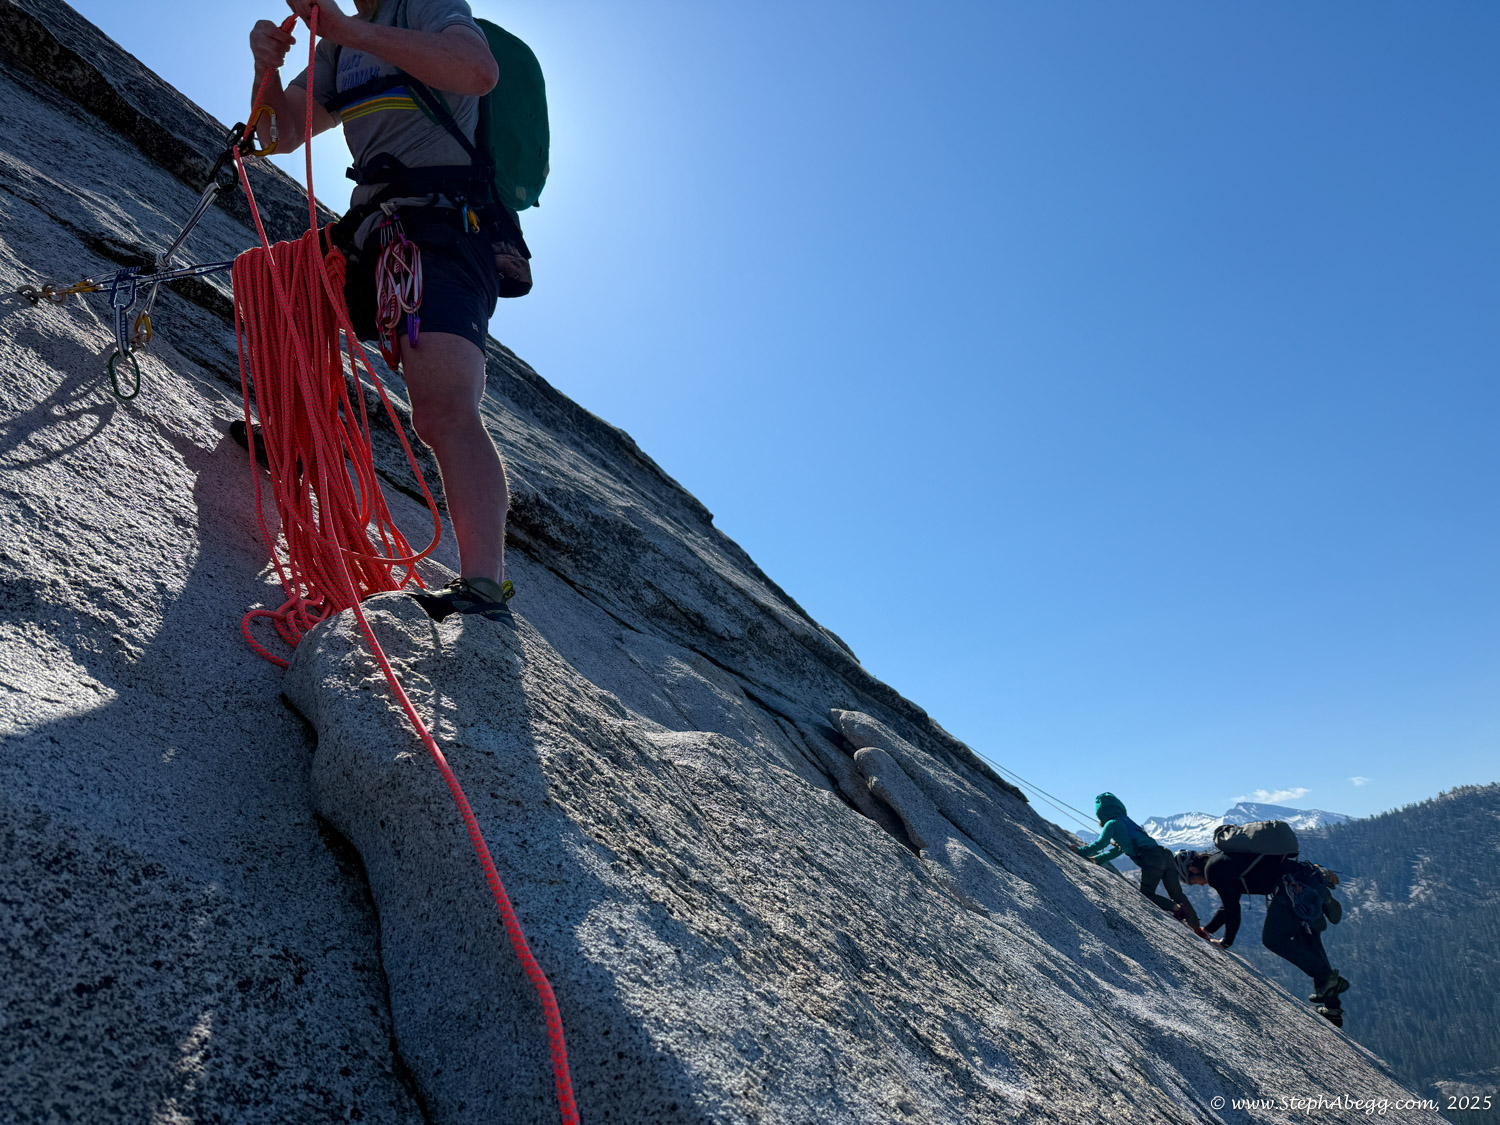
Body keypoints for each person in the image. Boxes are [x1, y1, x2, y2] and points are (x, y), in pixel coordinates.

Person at [247, 0, 516, 622]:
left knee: (443, 406)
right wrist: (266, 70)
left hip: (445, 226)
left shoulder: (423, 5)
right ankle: (296, 443)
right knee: (282, 288)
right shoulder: (336, 49)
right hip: (374, 228)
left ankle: (484, 589)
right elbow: (278, 135)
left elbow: (477, 71)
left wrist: (347, 29)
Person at [1176, 849, 1350, 1026]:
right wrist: (1207, 930)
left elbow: (1232, 909)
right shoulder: (1223, 861)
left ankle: (1328, 981)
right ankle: (1332, 1010)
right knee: (1307, 939)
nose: (1200, 885)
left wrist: (1226, 942)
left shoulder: (1214, 871)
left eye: (1193, 881)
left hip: (1291, 888)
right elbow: (1227, 906)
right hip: (1304, 882)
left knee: (1273, 939)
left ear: (1192, 869)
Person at [1075, 793, 1204, 933]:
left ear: (1101, 813)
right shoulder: (1128, 822)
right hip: (1165, 855)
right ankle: (1196, 927)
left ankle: (1176, 909)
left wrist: (1081, 851)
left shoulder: (1111, 824)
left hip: (1151, 859)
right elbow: (1121, 848)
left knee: (1147, 894)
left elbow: (1101, 843)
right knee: (1177, 893)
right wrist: (1099, 859)